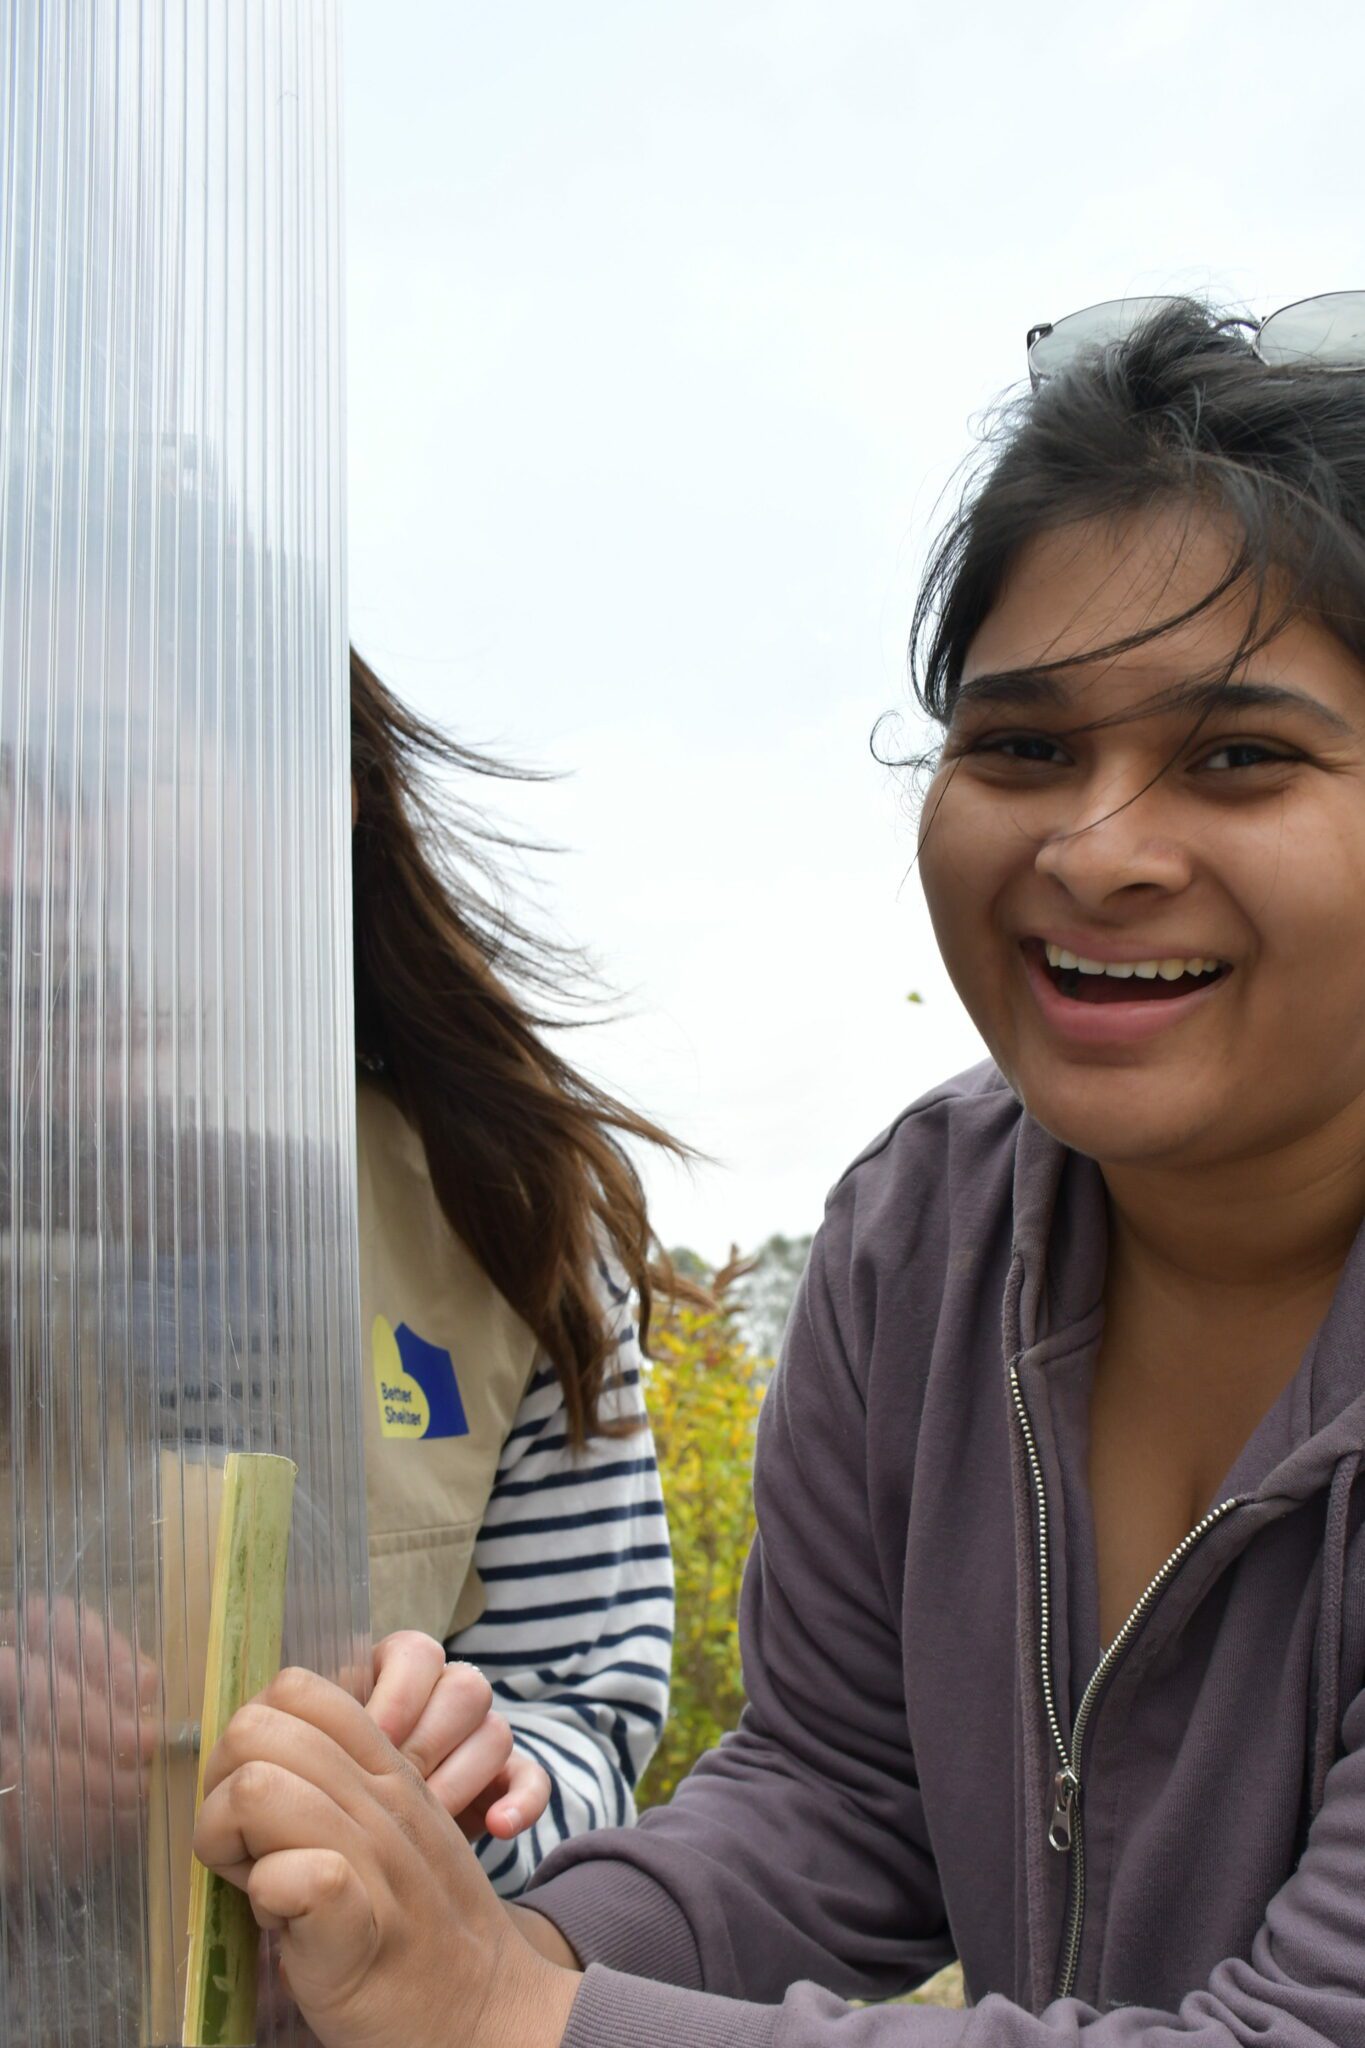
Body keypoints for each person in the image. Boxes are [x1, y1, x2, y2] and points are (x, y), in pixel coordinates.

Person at [194, 296, 1365, 2045]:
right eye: (1022, 744)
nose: (1098, 846)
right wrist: (387, 1936)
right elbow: (833, 1796)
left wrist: (511, 2013)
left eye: (1240, 755)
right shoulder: (932, 1235)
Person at [347, 651, 684, 1893]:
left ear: (325, 795)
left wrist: (473, 1797)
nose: (32, 846)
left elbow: (582, 1718)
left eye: (106, 765)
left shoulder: (505, 1216)